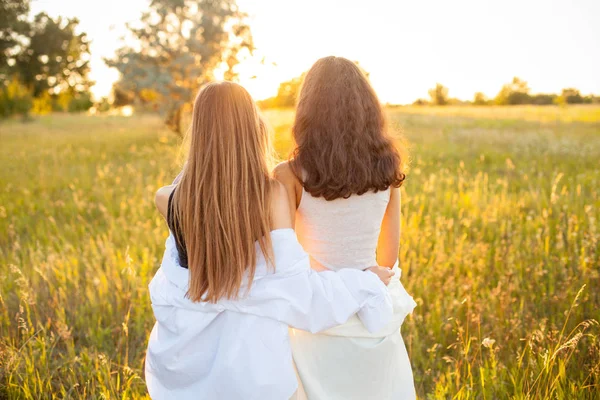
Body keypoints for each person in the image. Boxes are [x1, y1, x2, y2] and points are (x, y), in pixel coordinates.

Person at [144, 81, 396, 400]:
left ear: (198, 133)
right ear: (254, 127)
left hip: (181, 367)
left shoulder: (167, 199)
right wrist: (362, 282)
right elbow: (294, 292)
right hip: (249, 369)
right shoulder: (270, 196)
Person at [275, 56, 417, 400]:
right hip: (372, 305)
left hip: (318, 314)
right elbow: (389, 256)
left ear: (307, 110)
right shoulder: (388, 165)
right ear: (368, 107)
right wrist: (366, 278)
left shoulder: (289, 174)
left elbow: (283, 255)